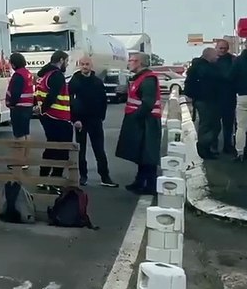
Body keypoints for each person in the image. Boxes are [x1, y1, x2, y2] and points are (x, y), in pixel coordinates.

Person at [116, 53, 162, 195]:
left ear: (139, 63)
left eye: (131, 60)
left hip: (147, 121)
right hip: (141, 120)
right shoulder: (139, 78)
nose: (129, 63)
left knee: (148, 153)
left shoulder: (148, 79)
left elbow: (148, 103)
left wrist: (136, 117)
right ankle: (140, 182)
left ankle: (151, 185)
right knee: (141, 153)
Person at [69, 56, 116, 187]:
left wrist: (101, 116)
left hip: (95, 120)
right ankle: (83, 176)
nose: (85, 66)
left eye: (87, 64)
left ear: (91, 65)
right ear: (79, 65)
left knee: (99, 149)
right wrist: (75, 119)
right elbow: (70, 102)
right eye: (82, 64)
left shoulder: (97, 82)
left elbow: (103, 100)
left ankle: (105, 177)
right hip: (80, 121)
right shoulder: (74, 82)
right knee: (81, 150)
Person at [34, 50, 74, 183]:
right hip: (58, 117)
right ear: (61, 60)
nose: (67, 64)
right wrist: (43, 109)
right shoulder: (57, 75)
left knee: (51, 147)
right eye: (66, 61)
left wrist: (41, 110)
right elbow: (52, 95)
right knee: (62, 149)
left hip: (49, 116)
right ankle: (56, 179)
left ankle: (43, 177)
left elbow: (39, 94)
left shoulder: (44, 75)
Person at [184, 48, 222, 159]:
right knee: (209, 124)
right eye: (215, 55)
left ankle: (205, 147)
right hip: (207, 100)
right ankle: (204, 148)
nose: (217, 57)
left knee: (208, 124)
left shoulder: (196, 67)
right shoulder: (207, 69)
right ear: (209, 56)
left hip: (201, 100)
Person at [212, 39, 237, 156]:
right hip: (215, 96)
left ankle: (227, 145)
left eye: (224, 48)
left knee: (228, 124)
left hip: (229, 96)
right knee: (215, 124)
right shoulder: (212, 60)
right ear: (216, 48)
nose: (222, 50)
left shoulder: (233, 60)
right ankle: (214, 145)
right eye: (220, 48)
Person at [4, 52, 34, 139]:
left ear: (14, 64)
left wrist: (11, 104)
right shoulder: (27, 73)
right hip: (28, 107)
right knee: (26, 132)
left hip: (19, 107)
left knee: (19, 134)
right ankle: (27, 147)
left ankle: (20, 148)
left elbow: (16, 93)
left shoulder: (18, 75)